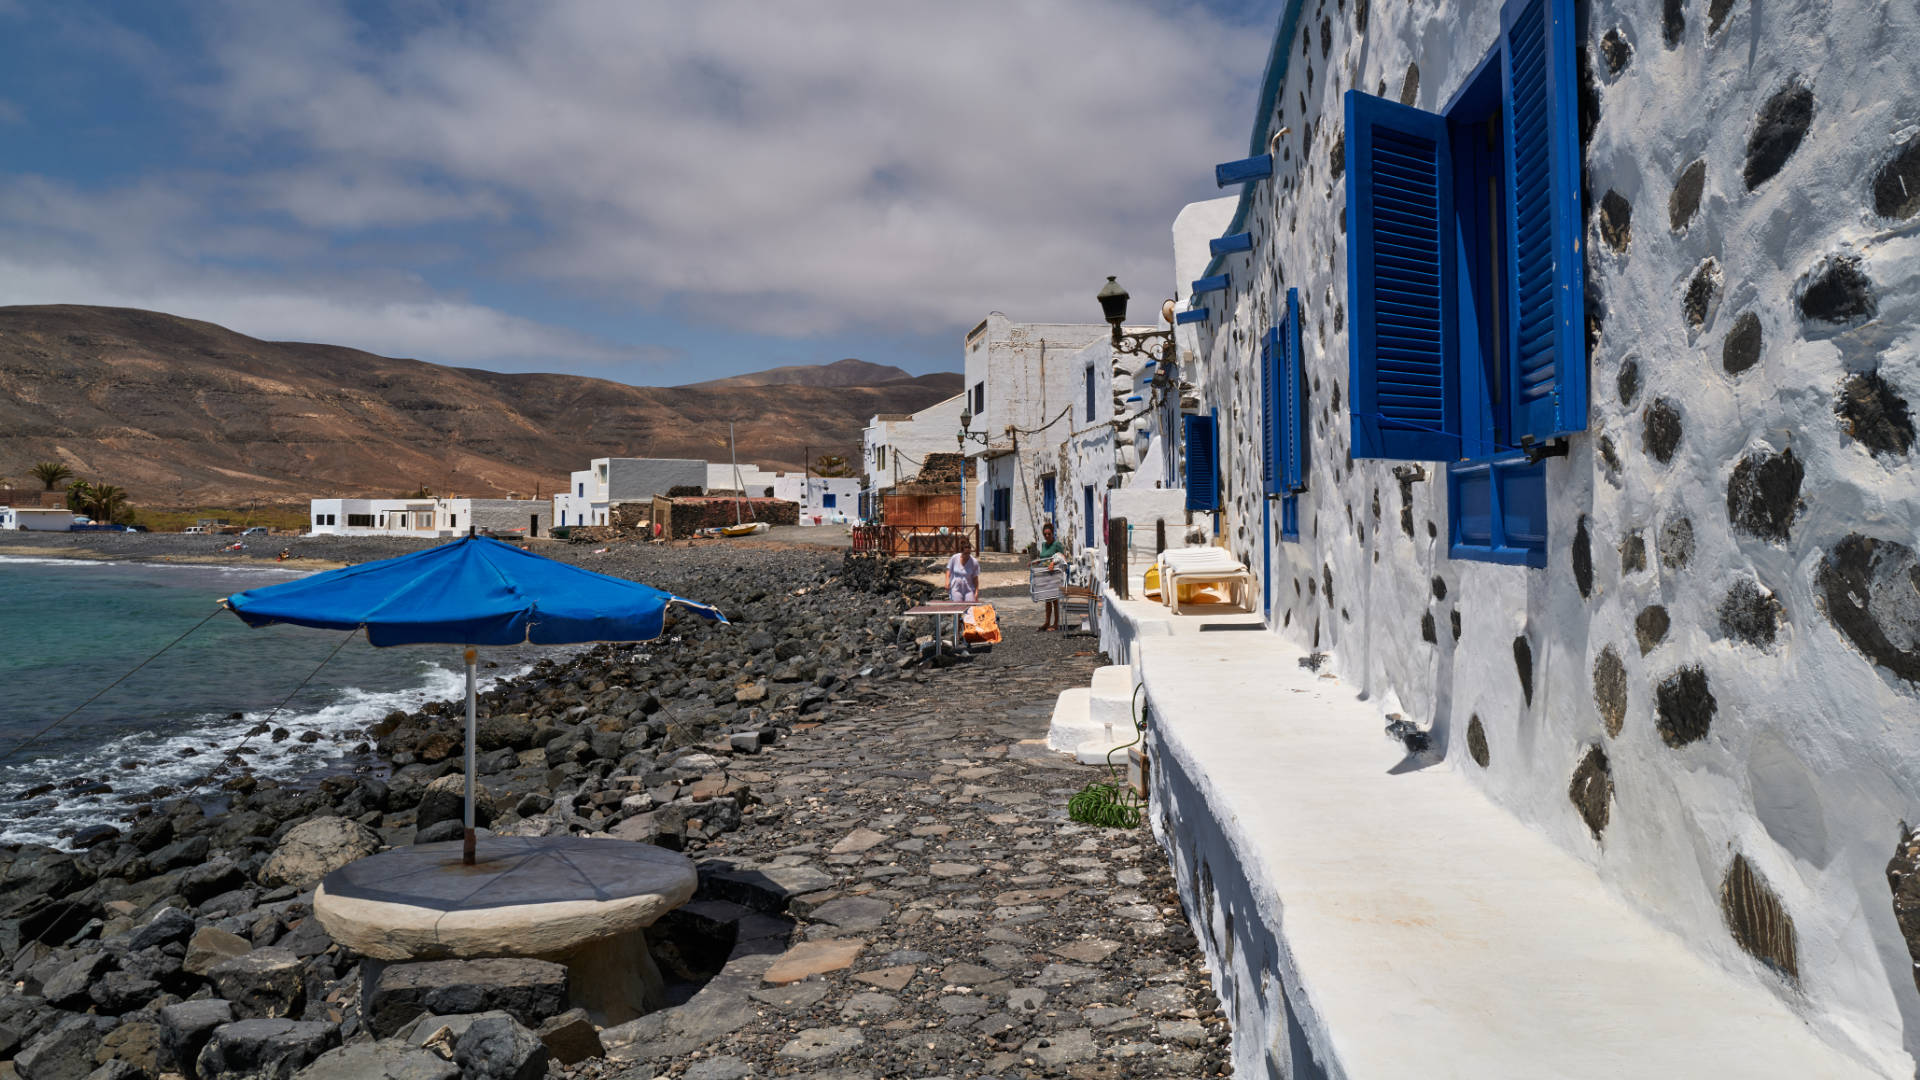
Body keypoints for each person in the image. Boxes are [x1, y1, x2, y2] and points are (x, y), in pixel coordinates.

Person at [1036, 522, 1066, 631]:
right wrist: (1035, 563)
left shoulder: (1057, 545)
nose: (1047, 536)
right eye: (1045, 534)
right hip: (1045, 574)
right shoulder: (1044, 545)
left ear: (1052, 533)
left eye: (1049, 534)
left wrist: (1054, 563)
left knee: (1054, 599)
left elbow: (1062, 557)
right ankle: (1047, 622)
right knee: (1047, 599)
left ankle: (1056, 623)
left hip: (1054, 575)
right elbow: (1042, 558)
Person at [945, 535, 980, 603]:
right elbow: (948, 570)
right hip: (956, 588)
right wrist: (947, 581)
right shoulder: (954, 558)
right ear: (962, 552)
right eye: (965, 553)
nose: (967, 555)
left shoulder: (974, 562)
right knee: (958, 608)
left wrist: (976, 592)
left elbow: (975, 579)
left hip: (968, 589)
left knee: (969, 607)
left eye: (969, 553)